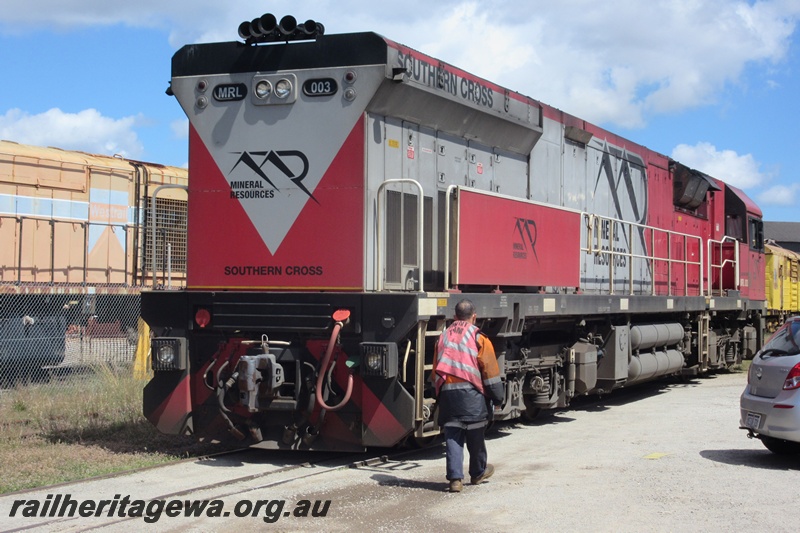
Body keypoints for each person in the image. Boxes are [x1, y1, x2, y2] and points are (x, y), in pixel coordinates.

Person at [432, 299, 504, 493]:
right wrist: (498, 398)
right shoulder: (479, 338)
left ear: (454, 317)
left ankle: (455, 480)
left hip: (449, 398)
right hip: (473, 398)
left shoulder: (442, 337)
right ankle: (478, 472)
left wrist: (438, 396)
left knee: (453, 438)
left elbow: (435, 372)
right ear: (474, 316)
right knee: (476, 437)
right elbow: (489, 372)